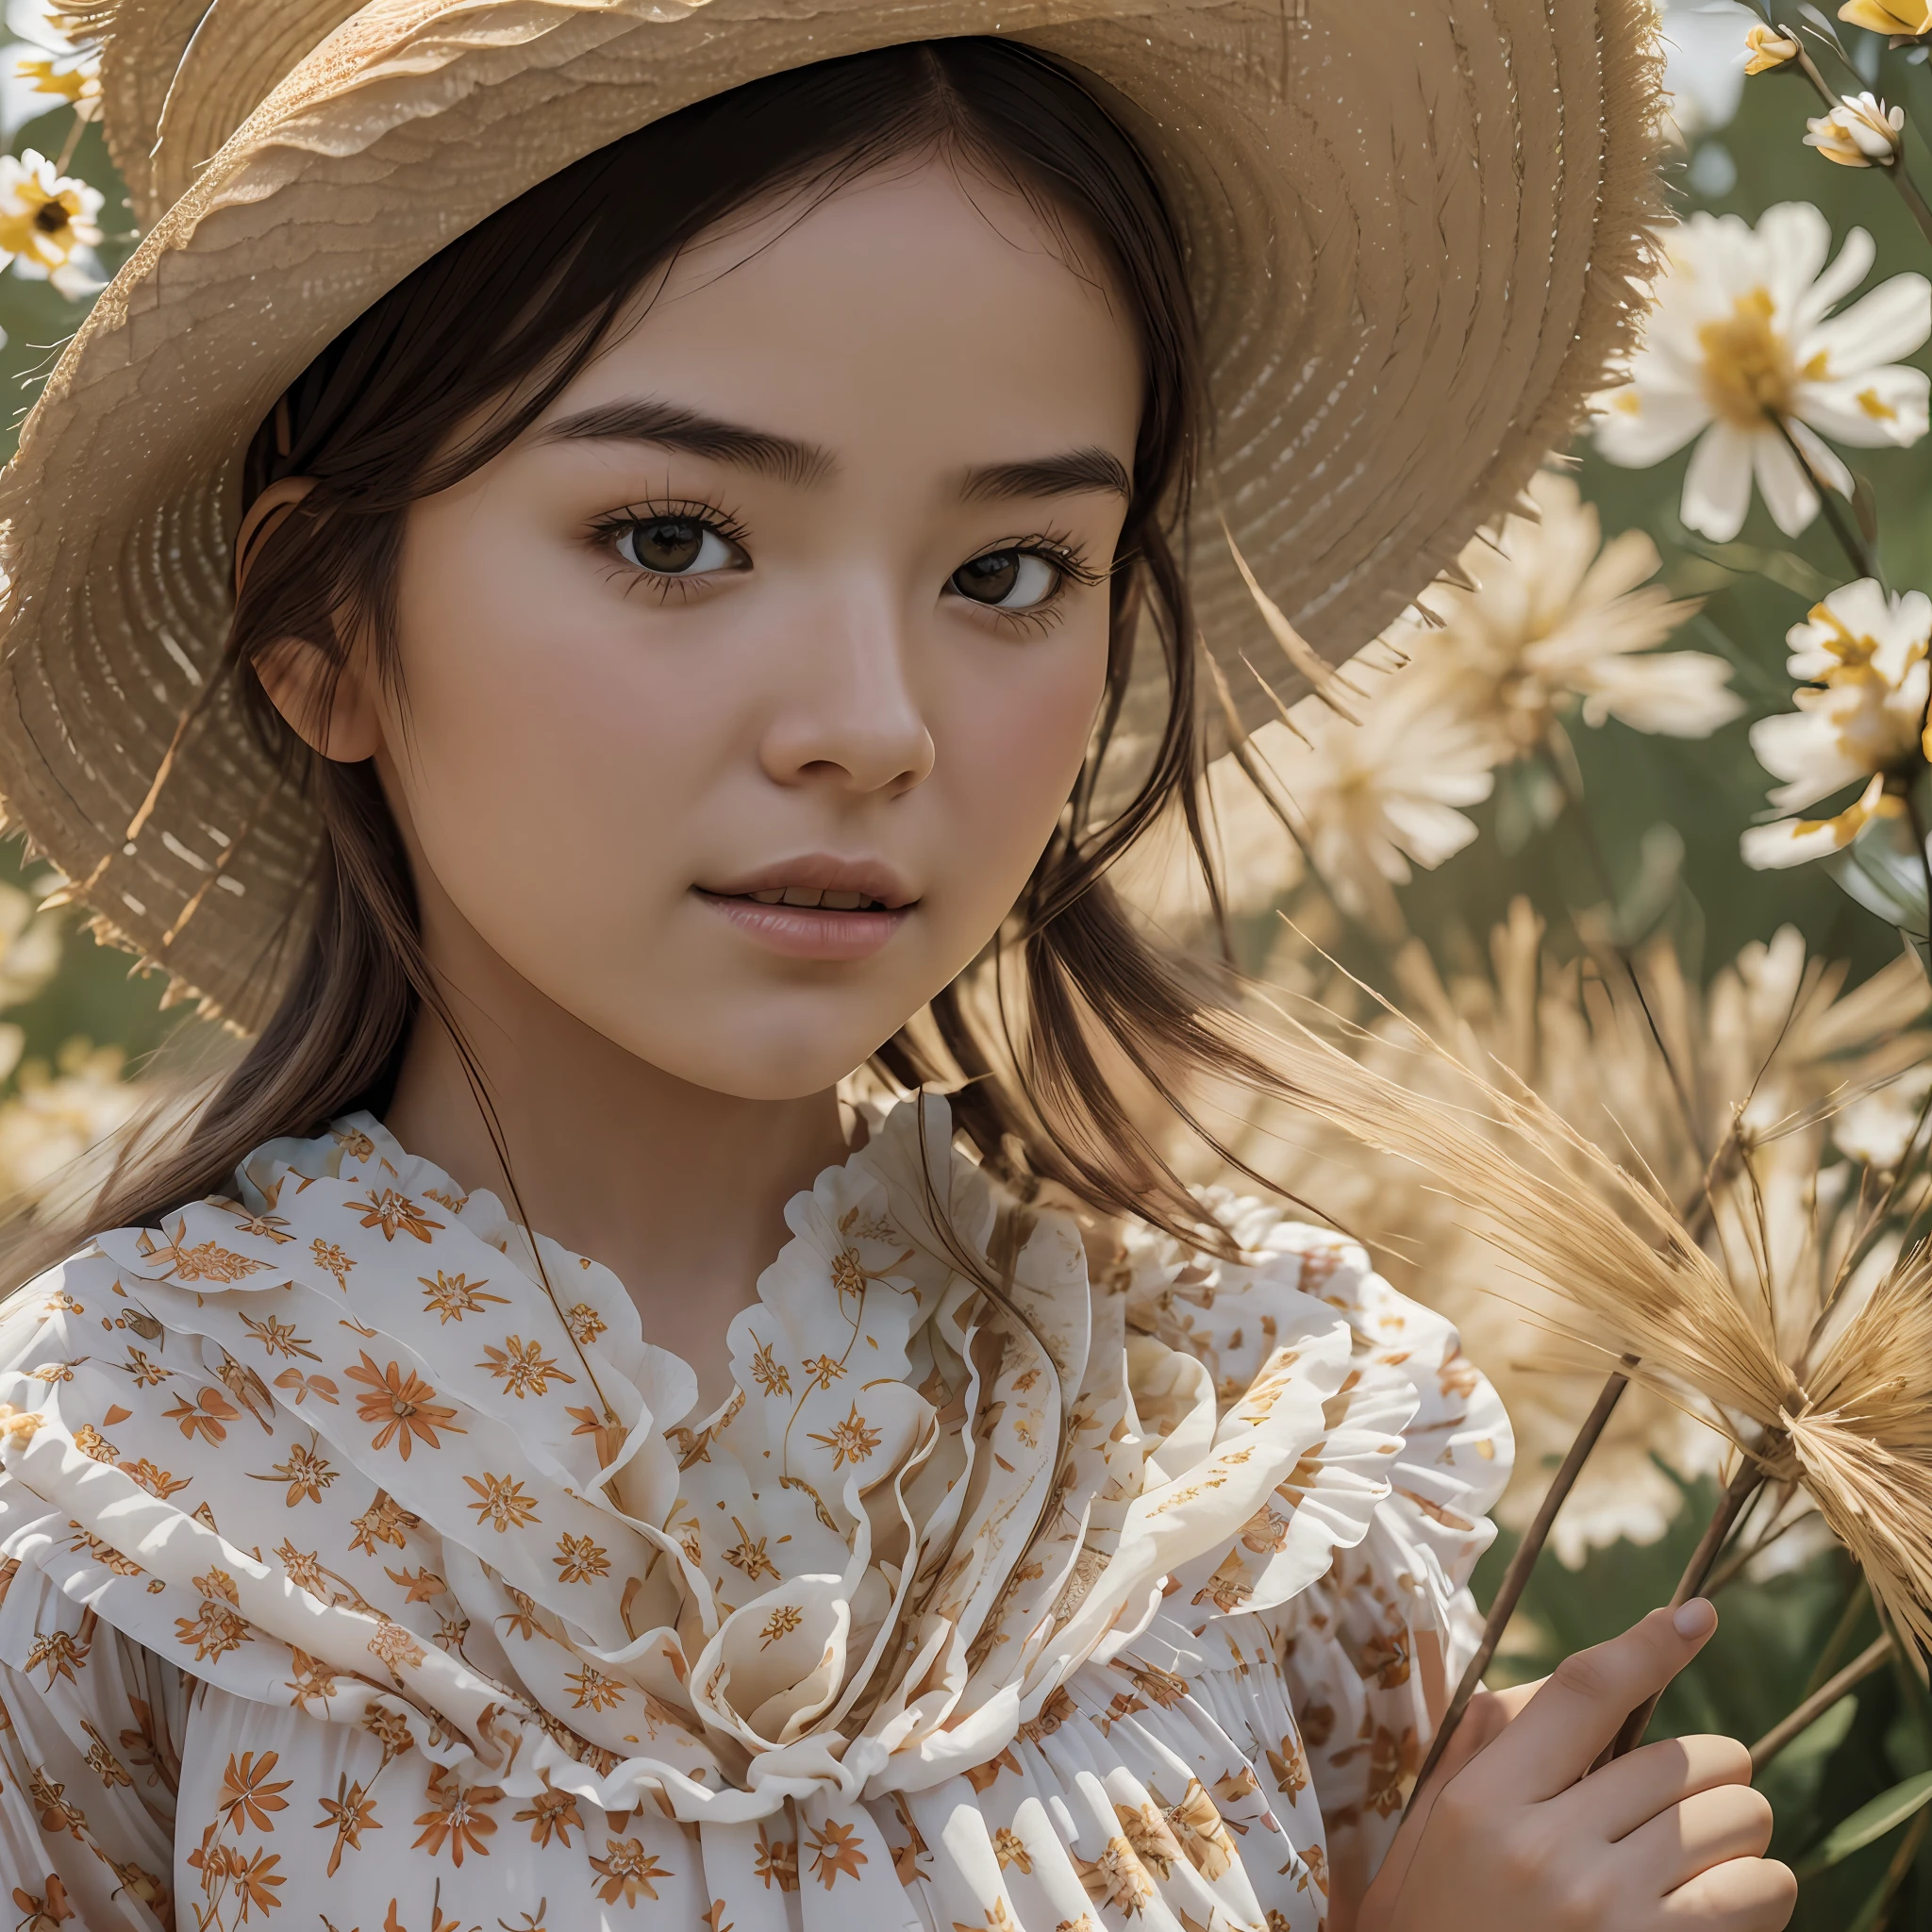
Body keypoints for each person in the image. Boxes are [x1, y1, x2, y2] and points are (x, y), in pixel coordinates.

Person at [0, 7, 1794, 1930]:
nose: (872, 725)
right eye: (672, 535)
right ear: (325, 629)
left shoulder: (1256, 1474)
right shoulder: (115, 1514)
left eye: (1009, 569)